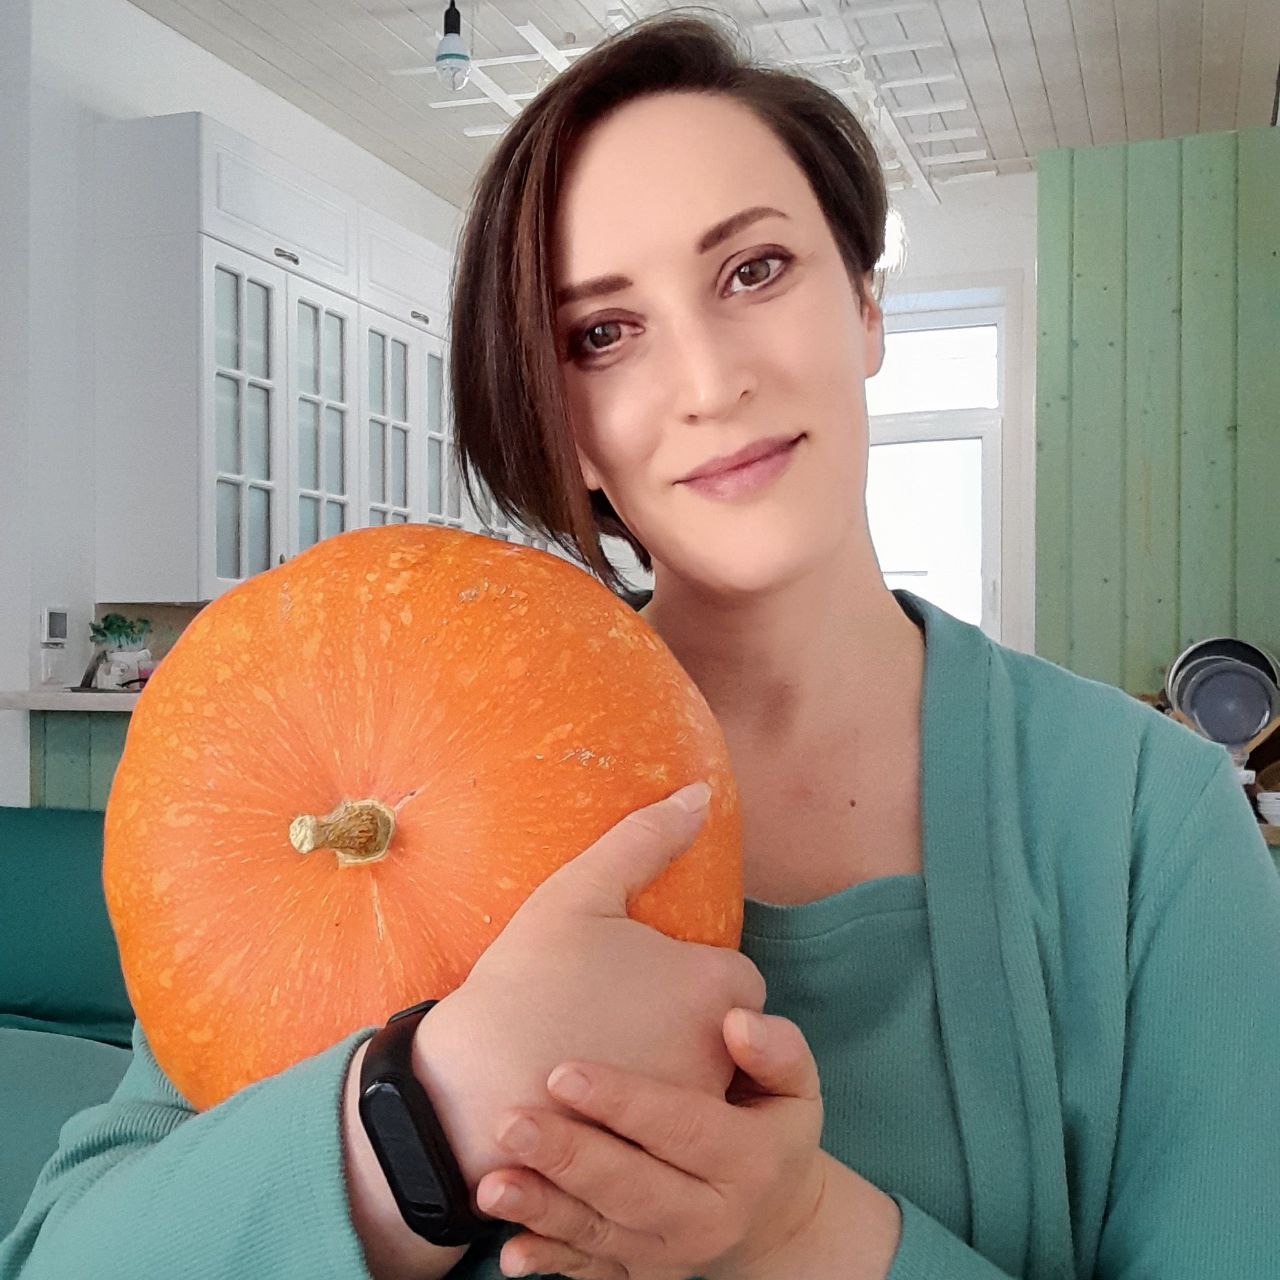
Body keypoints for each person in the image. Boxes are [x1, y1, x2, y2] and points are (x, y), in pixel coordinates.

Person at [4, 11, 1278, 1280]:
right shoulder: (376, 736)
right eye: (601, 334)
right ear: (561, 426)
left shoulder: (1147, 824)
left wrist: (801, 1231)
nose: (707, 382)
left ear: (864, 303)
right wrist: (421, 1116)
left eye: (753, 270)